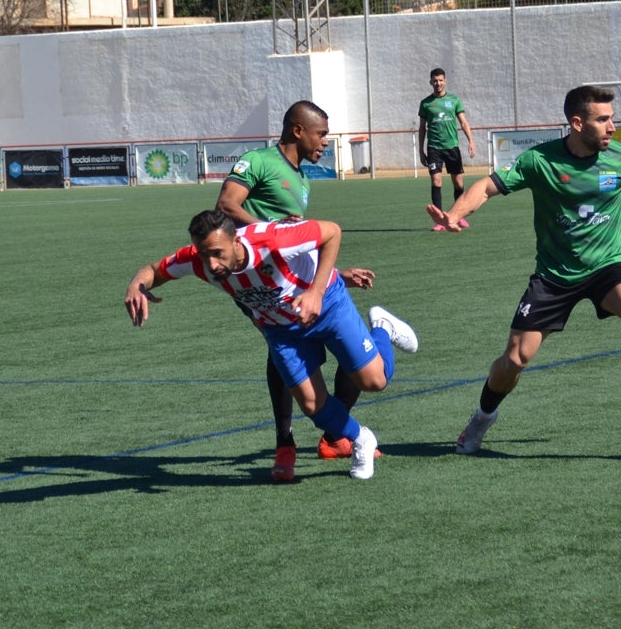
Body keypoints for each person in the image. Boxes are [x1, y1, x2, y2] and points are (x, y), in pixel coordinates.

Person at [427, 85, 621, 454]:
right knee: (514, 359)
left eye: (612, 118)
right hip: (554, 276)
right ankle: (481, 418)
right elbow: (487, 188)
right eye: (603, 119)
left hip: (608, 267)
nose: (612, 126)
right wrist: (454, 215)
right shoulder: (539, 161)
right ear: (577, 123)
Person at [124, 209, 419, 480]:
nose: (211, 264)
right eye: (203, 255)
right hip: (280, 329)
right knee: (312, 404)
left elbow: (332, 231)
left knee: (375, 381)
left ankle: (382, 327)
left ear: (235, 241)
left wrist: (315, 293)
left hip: (327, 305)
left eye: (217, 253)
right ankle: (361, 439)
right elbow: (152, 270)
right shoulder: (197, 260)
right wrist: (136, 287)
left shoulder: (273, 241)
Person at [216, 100, 376, 482]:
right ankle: (285, 442)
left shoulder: (302, 178)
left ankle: (336, 433)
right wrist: (270, 233)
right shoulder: (258, 161)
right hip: (254, 282)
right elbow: (225, 204)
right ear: (298, 130)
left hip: (293, 282)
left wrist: (336, 273)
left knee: (344, 348)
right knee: (281, 349)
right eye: (321, 134)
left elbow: (295, 249)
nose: (325, 142)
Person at [418, 67, 477, 231]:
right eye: (435, 81)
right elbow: (422, 128)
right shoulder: (426, 103)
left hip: (452, 147)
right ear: (431, 82)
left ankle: (459, 216)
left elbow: (464, 123)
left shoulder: (455, 100)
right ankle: (439, 221)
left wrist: (471, 142)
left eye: (441, 80)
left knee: (458, 183)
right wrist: (421, 151)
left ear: (445, 81)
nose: (438, 83)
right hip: (434, 148)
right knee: (436, 181)